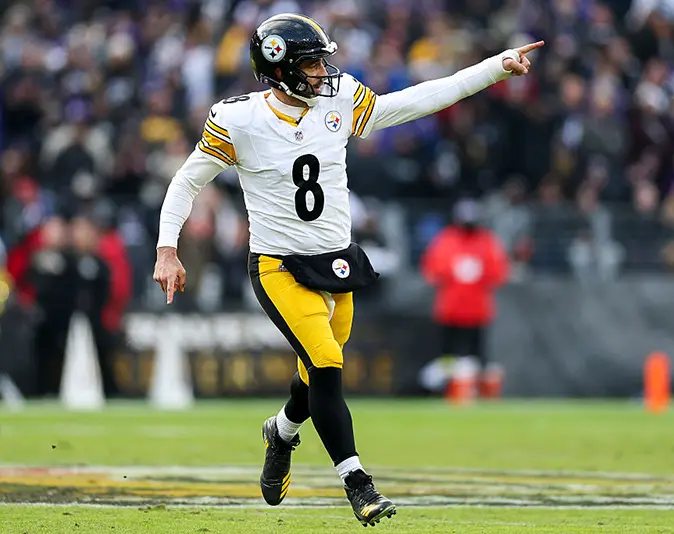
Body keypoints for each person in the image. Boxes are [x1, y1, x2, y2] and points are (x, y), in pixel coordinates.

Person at [153, 12, 542, 527]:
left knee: (315, 372)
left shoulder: (337, 100)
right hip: (279, 265)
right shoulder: (238, 120)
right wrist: (166, 248)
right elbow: (187, 181)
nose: (324, 72)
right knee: (327, 366)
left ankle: (282, 432)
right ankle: (358, 484)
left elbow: (414, 101)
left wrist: (494, 68)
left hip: (336, 260)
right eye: (312, 63)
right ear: (280, 67)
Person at [420, 199, 510, 400]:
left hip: (477, 310)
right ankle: (445, 391)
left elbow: (499, 272)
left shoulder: (486, 241)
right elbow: (432, 269)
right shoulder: (447, 239)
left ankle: (478, 394)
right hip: (451, 310)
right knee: (448, 356)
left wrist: (479, 272)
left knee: (479, 356)